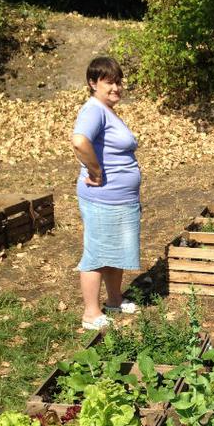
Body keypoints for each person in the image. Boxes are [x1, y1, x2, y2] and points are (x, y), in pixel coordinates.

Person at [71, 56, 140, 331]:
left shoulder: (107, 110)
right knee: (97, 253)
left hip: (121, 198)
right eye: (109, 82)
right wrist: (95, 170)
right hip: (102, 198)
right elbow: (79, 141)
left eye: (118, 82)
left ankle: (114, 299)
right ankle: (91, 312)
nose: (116, 87)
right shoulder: (93, 110)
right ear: (92, 83)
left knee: (117, 250)